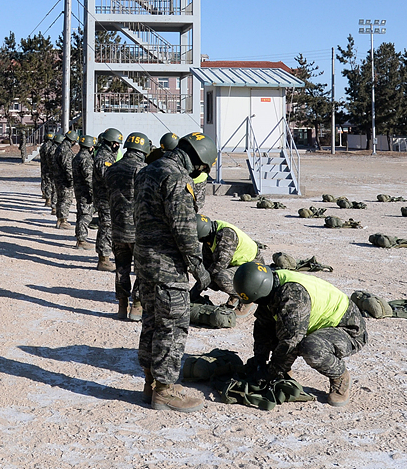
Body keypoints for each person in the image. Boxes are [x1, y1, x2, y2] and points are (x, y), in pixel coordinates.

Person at [133, 132, 217, 412]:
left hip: (144, 260)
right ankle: (165, 391)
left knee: (152, 322)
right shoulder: (178, 178)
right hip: (167, 266)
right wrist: (198, 267)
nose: (200, 172)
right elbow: (184, 229)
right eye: (202, 167)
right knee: (172, 325)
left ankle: (150, 384)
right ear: (197, 159)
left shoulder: (147, 171)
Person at [232, 261, 368, 406]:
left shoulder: (292, 296)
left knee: (311, 347)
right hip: (318, 324)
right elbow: (262, 327)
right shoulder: (272, 284)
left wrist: (271, 373)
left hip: (348, 330)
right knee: (272, 324)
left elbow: (291, 342)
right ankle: (283, 370)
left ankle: (340, 376)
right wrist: (260, 360)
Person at [104, 132, 151, 321]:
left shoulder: (112, 169)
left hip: (117, 228)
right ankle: (137, 307)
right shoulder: (144, 170)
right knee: (141, 269)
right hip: (139, 230)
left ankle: (122, 306)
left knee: (121, 268)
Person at [191, 214, 263, 312]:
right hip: (238, 264)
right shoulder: (209, 237)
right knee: (209, 278)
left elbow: (220, 265)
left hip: (253, 266)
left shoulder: (226, 235)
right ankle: (235, 297)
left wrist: (202, 284)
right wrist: (195, 292)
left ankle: (247, 299)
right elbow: (207, 268)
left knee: (221, 277)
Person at [93, 128, 123, 271]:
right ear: (111, 142)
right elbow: (108, 177)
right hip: (105, 198)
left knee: (108, 226)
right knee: (106, 226)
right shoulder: (104, 157)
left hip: (107, 197)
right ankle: (103, 260)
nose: (118, 146)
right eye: (116, 144)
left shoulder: (108, 154)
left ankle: (105, 256)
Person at [72, 135, 97, 250]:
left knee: (81, 213)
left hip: (79, 190)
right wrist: (94, 193)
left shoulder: (77, 156)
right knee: (85, 215)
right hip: (85, 192)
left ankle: (79, 237)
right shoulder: (86, 159)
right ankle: (81, 240)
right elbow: (89, 178)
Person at [52, 131, 76, 230]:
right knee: (66, 200)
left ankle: (59, 219)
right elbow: (68, 167)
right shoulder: (66, 150)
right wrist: (71, 180)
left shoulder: (60, 148)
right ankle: (63, 221)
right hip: (64, 180)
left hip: (58, 178)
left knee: (60, 199)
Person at [39, 132, 57, 212]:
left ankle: (47, 198)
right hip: (51, 168)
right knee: (52, 184)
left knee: (46, 182)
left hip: (44, 167)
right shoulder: (53, 147)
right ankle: (51, 201)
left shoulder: (43, 146)